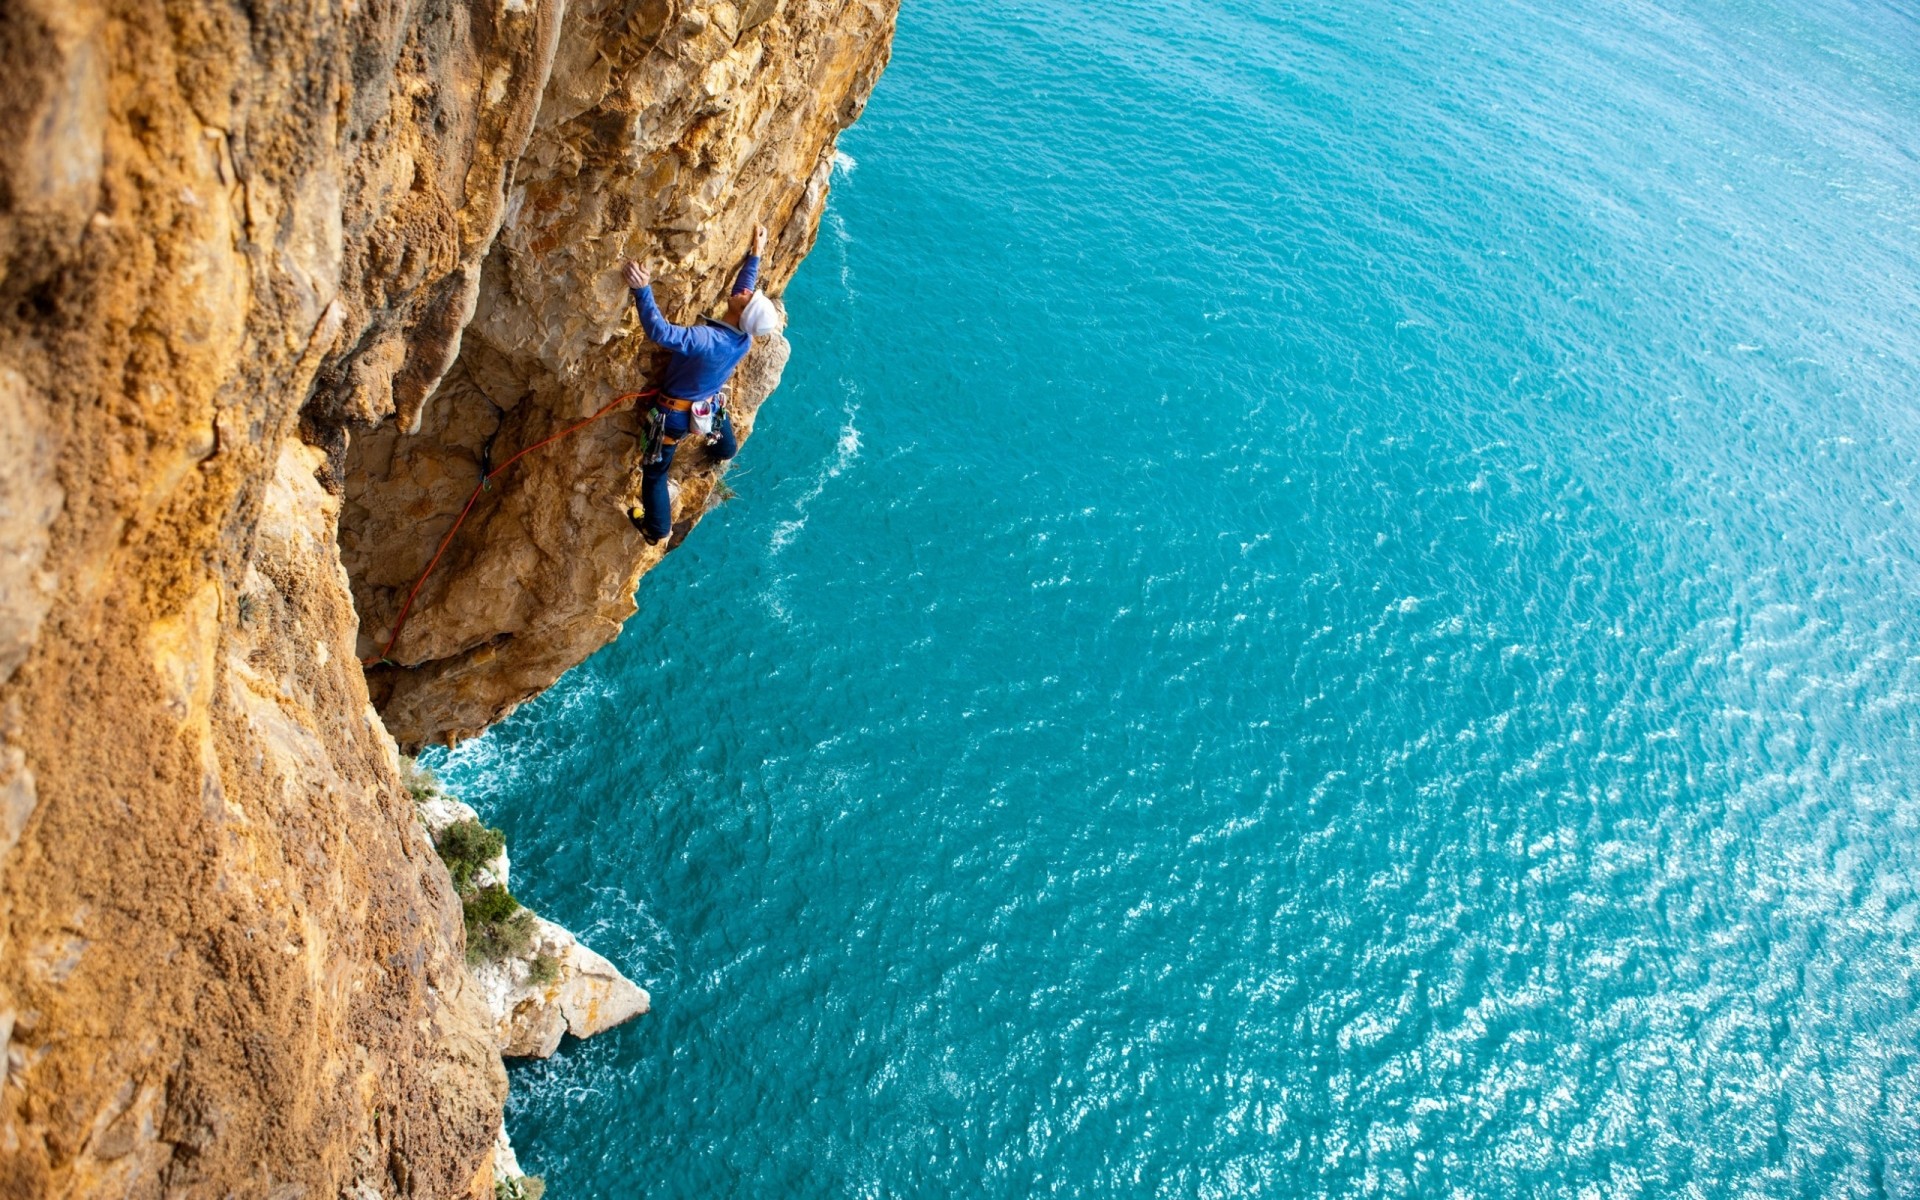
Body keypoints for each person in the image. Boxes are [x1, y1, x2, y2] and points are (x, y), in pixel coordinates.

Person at [621, 225, 784, 544]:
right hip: (704, 406)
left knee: (655, 471)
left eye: (748, 299)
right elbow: (743, 293)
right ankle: (725, 449)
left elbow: (662, 333)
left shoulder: (706, 339)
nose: (746, 292)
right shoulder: (743, 338)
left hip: (671, 418)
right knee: (720, 432)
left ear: (743, 313)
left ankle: (657, 529)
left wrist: (643, 290)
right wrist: (756, 255)